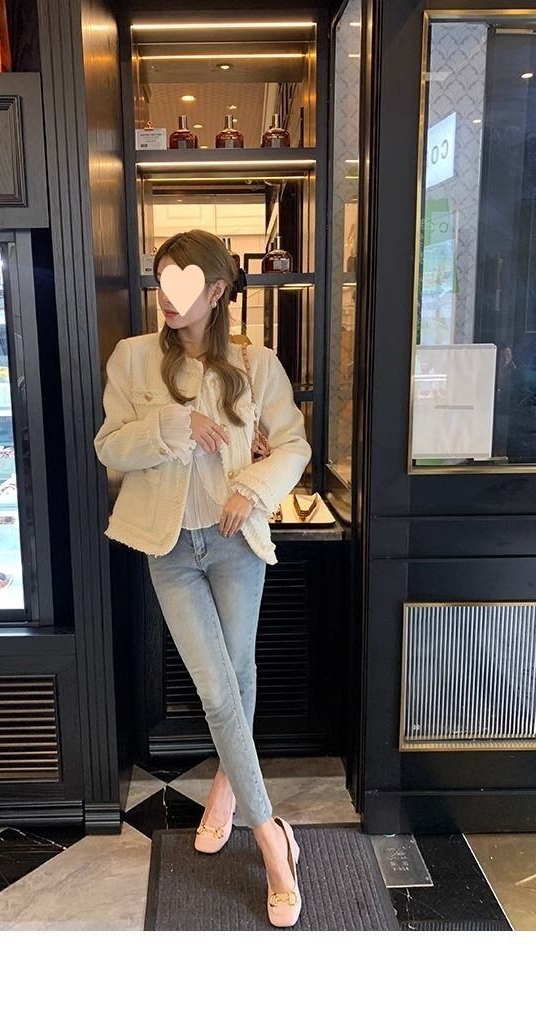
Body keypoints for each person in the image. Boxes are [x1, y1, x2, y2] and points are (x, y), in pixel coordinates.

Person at [93, 229, 312, 927]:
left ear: (216, 292)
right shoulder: (132, 359)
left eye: (185, 283)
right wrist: (174, 422)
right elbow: (110, 448)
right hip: (169, 548)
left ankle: (225, 787)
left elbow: (294, 444)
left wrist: (252, 487)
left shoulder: (255, 363)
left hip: (233, 542)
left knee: (237, 674)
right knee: (218, 688)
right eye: (162, 280)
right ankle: (272, 838)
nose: (169, 296)